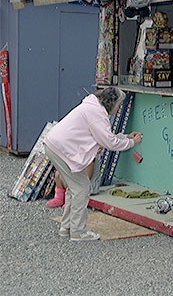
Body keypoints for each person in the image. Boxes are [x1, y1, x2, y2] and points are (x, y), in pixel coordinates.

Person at [43, 87, 143, 242]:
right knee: (82, 188)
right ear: (112, 103)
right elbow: (109, 142)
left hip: (56, 146)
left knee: (75, 188)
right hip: (62, 149)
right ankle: (78, 232)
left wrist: (125, 137)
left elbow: (105, 137)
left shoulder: (93, 107)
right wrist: (131, 142)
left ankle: (67, 227)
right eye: (119, 105)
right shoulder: (97, 115)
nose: (119, 109)